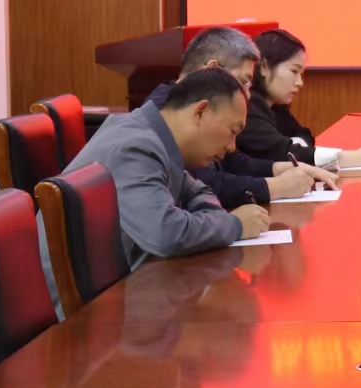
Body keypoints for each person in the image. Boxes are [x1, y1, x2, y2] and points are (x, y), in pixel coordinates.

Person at [66, 67, 270, 268]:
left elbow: (200, 192)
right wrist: (235, 225)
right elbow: (166, 233)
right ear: (201, 112)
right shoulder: (135, 147)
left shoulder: (157, 138)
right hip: (99, 289)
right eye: (232, 131)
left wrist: (215, 222)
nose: (232, 147)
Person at [147, 27, 335, 208]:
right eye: (243, 82)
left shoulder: (189, 103)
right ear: (212, 70)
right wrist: (275, 187)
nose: (247, 95)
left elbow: (231, 161)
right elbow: (206, 186)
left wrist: (279, 168)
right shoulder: (166, 112)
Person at [238, 29, 361, 170]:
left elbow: (304, 135)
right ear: (264, 67)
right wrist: (355, 158)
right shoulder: (246, 106)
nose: (300, 82)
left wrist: (297, 146)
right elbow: (283, 153)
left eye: (301, 74)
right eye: (294, 71)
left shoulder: (276, 105)